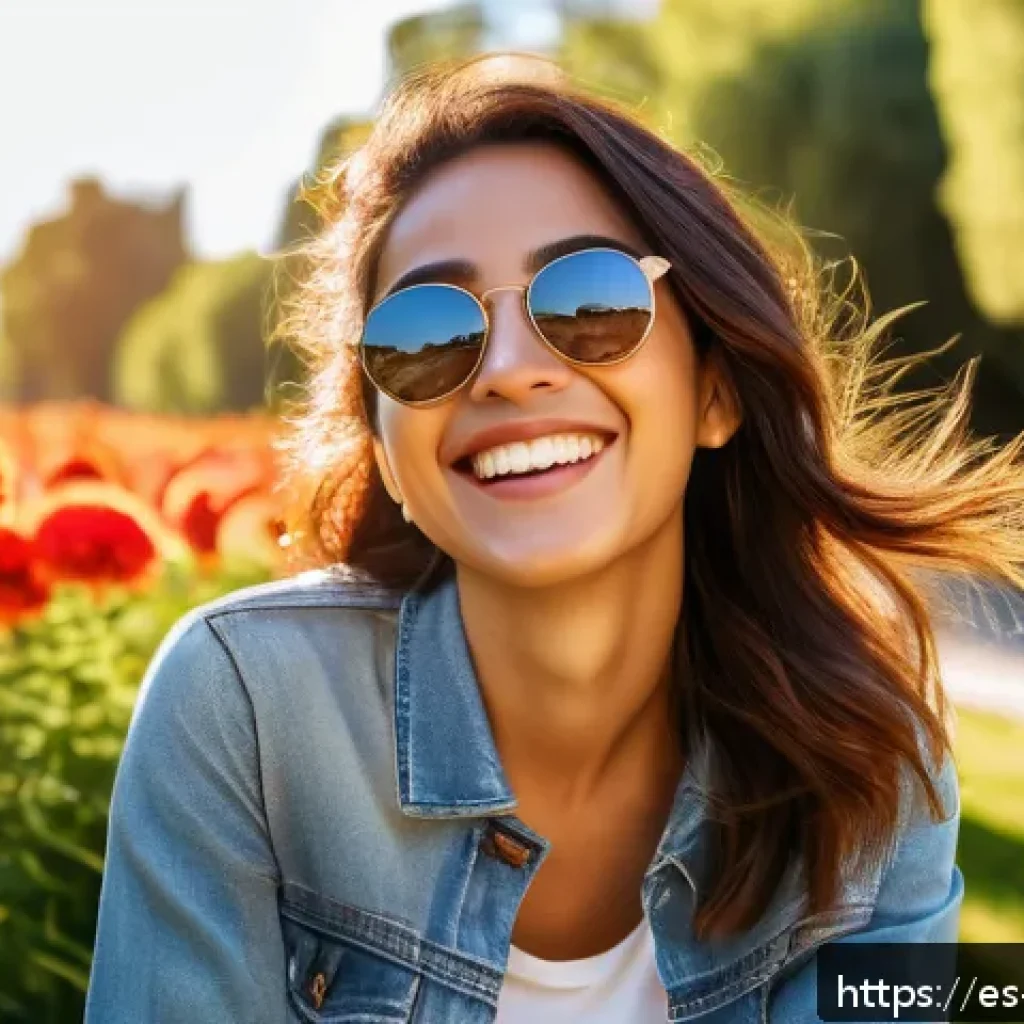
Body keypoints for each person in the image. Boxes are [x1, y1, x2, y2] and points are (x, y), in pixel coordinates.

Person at [85, 54, 1024, 1023]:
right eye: (425, 332)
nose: (506, 369)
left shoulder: (871, 760)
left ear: (713, 390)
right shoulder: (244, 715)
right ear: (388, 450)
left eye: (591, 303)